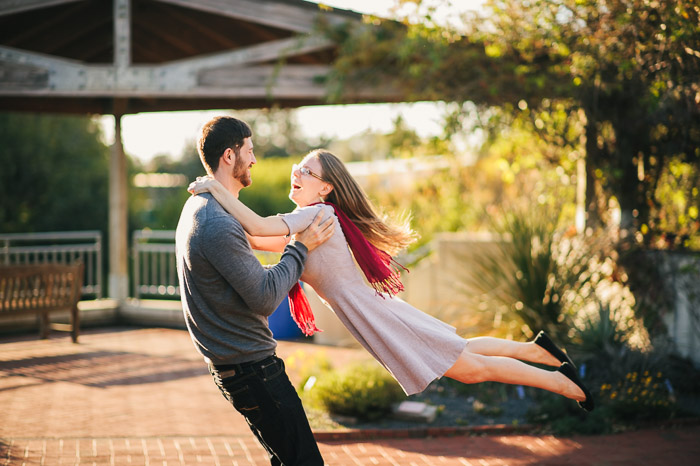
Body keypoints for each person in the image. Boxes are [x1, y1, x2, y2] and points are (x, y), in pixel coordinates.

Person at [188, 148, 594, 412]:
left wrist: (212, 188)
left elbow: (256, 224)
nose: (296, 173)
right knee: (461, 350)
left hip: (380, 316)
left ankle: (563, 384)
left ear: (325, 187)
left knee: (469, 368)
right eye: (298, 169)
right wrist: (217, 211)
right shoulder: (307, 224)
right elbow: (255, 236)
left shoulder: (317, 215)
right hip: (378, 311)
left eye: (305, 171)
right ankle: (539, 351)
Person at [175, 117, 334, 466]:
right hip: (253, 371)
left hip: (240, 368)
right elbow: (264, 297)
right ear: (229, 157)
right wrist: (300, 247)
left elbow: (238, 276)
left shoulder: (202, 208)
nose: (255, 159)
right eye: (250, 150)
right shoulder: (215, 220)